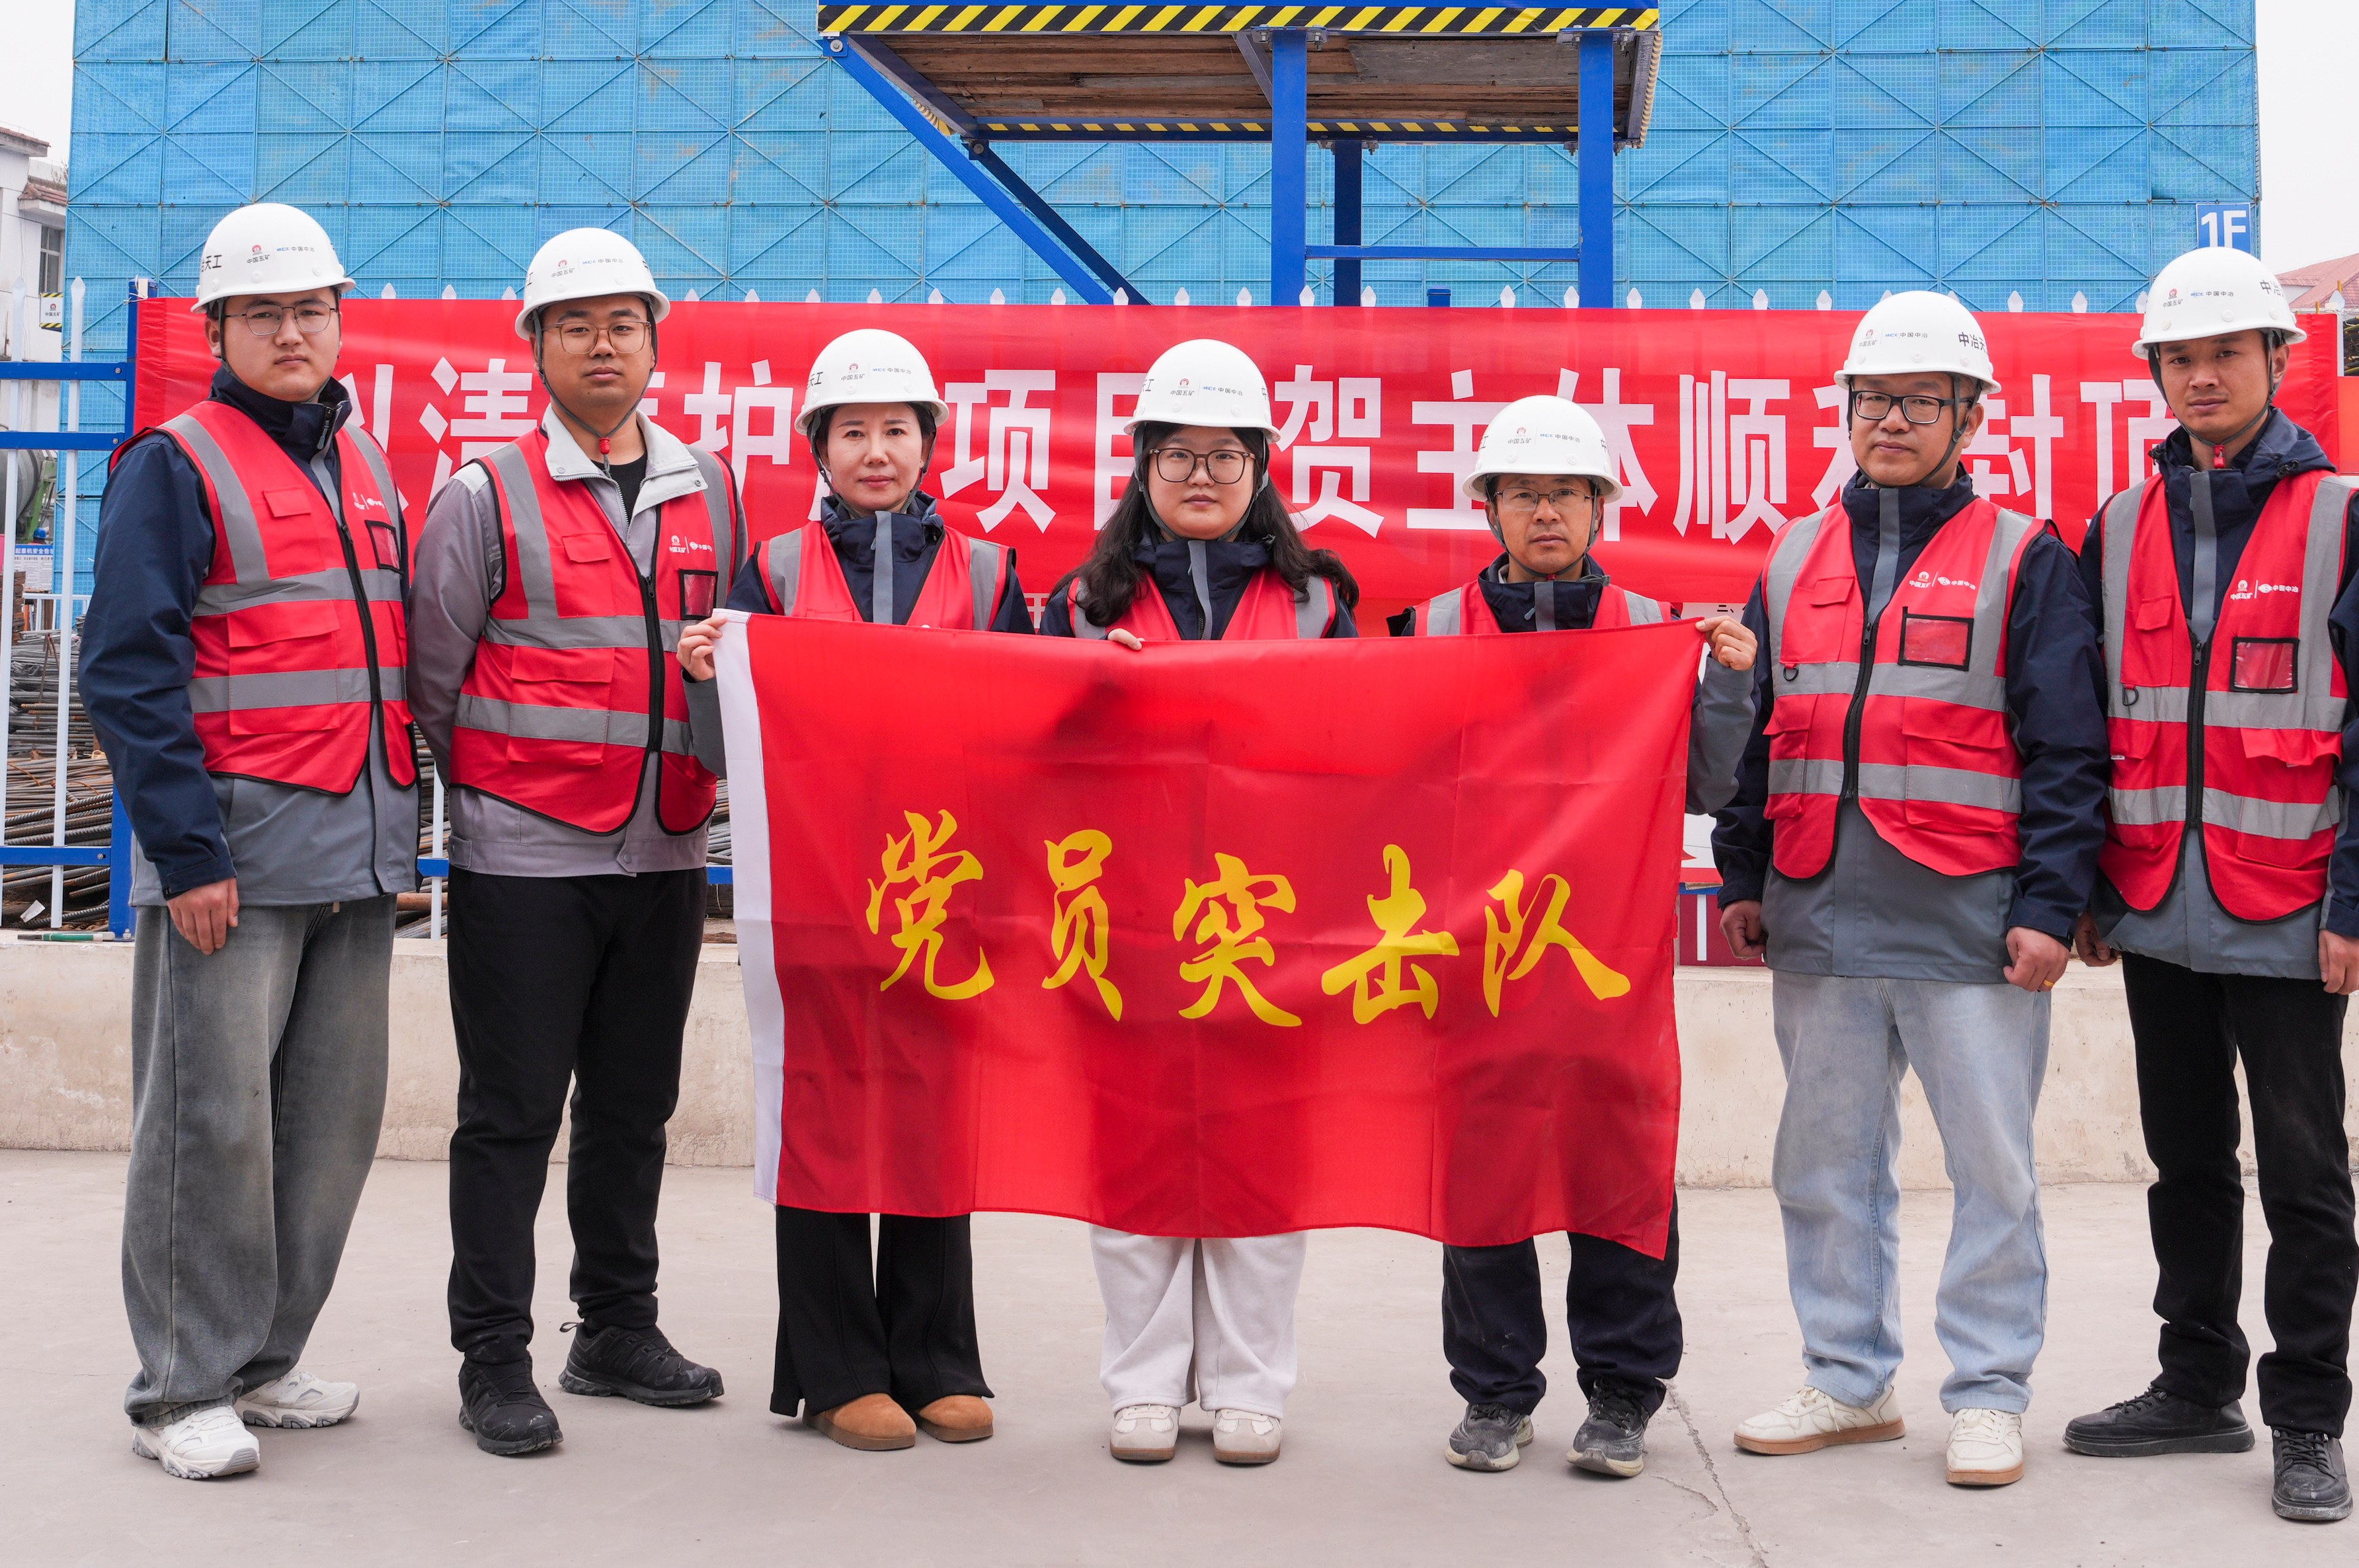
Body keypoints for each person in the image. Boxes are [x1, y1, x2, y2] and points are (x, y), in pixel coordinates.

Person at [1709, 292, 2110, 1493]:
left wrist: (2047, 907)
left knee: (1993, 1170)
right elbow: (1762, 729)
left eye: (1919, 401)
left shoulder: (2024, 558)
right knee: (1823, 1165)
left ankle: (1987, 1393)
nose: (1889, 420)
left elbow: (2068, 748)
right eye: (1871, 398)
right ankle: (1846, 1380)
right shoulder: (1792, 555)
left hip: (1969, 922)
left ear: (1969, 416)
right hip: (1817, 912)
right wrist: (1744, 873)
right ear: (1844, 408)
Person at [2058, 246, 2359, 1527]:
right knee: (2184, 1164)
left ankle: (2307, 1420)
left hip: (2288, 910)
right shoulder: (2115, 530)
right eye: (2178, 358)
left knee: (2303, 1175)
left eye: (2224, 353)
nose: (2201, 376)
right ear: (2153, 375)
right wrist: (2088, 886)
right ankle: (2193, 1383)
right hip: (2155, 905)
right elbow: (2088, 722)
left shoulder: (2340, 520)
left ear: (2275, 359)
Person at [81, 202, 415, 1482]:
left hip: (356, 856)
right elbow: (128, 669)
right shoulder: (174, 465)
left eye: (311, 309)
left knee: (326, 1131)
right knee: (208, 1126)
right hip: (233, 857)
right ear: (217, 329)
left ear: (339, 320)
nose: (291, 331)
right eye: (263, 312)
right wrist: (187, 855)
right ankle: (179, 1385)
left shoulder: (364, 462)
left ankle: (263, 1360)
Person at [405, 227, 748, 1458]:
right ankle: (493, 1356)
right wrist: (510, 798)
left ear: (655, 342)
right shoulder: (482, 495)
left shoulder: (709, 487)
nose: (602, 346)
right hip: (525, 864)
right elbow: (434, 682)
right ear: (536, 347)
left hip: (664, 854)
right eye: (575, 326)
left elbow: (731, 658)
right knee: (509, 1118)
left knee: (632, 1110)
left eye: (623, 325)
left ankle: (615, 1329)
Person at [1403, 395, 1757, 1481]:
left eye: (1565, 492)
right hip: (1477, 955)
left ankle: (1622, 1393)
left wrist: (1726, 685)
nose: (1545, 512)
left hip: (1608, 954)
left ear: (1601, 505)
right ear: (1489, 509)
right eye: (1522, 493)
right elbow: (1394, 789)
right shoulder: (1427, 630)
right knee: (1482, 1175)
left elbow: (1706, 784)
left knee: (1619, 1168)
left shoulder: (1654, 629)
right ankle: (1494, 1394)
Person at [693, 328, 1032, 1454]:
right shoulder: (776, 573)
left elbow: (1029, 729)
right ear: (819, 449)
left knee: (936, 1115)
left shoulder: (990, 574)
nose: (875, 451)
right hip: (820, 883)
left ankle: (936, 1361)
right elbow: (729, 740)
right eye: (852, 432)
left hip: (950, 886)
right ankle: (836, 1371)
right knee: (825, 1111)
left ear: (931, 444)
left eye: (896, 430)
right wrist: (706, 675)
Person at [1035, 336, 1359, 1470]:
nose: (1202, 476)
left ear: (1262, 466)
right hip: (1125, 920)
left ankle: (1248, 1384)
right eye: (1177, 454)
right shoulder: (1082, 604)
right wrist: (1089, 689)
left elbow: (1366, 752)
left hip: (1271, 922)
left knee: (1260, 1157)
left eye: (1226, 455)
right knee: (1134, 1155)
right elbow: (1031, 757)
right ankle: (1142, 1383)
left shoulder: (1318, 600)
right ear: (1141, 465)